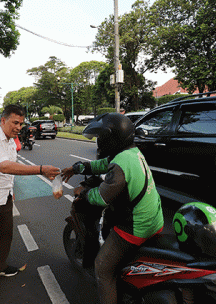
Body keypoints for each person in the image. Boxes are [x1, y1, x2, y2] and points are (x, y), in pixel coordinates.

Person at [61, 113, 164, 304]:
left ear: (111, 138)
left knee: (102, 267)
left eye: (102, 137)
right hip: (154, 219)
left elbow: (100, 197)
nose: (99, 141)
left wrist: (81, 192)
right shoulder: (130, 153)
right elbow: (102, 164)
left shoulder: (121, 164)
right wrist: (77, 168)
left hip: (135, 227)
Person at [0, 104, 60, 303]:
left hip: (3, 195)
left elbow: (11, 170)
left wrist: (11, 191)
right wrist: (40, 169)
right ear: (3, 120)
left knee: (4, 235)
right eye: (15, 122)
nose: (18, 127)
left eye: (21, 123)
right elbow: (5, 166)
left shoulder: (10, 141)